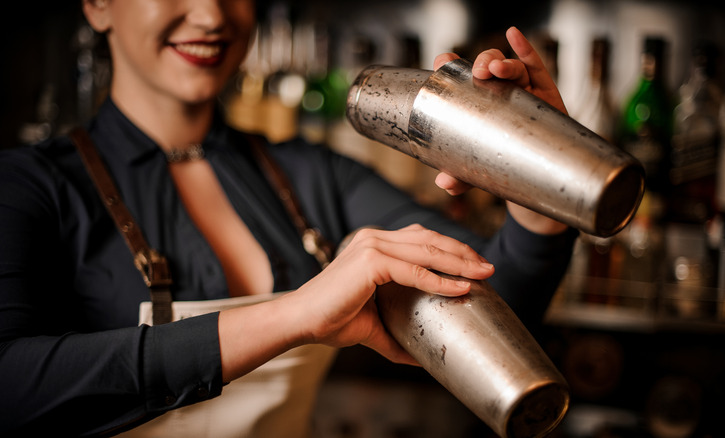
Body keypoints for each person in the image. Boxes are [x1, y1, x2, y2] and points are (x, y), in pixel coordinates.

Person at [0, 0, 577, 436]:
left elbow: (496, 302)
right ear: (99, 6)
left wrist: (534, 194)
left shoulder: (313, 177)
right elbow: (13, 385)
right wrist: (295, 315)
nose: (210, 15)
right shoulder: (29, 185)